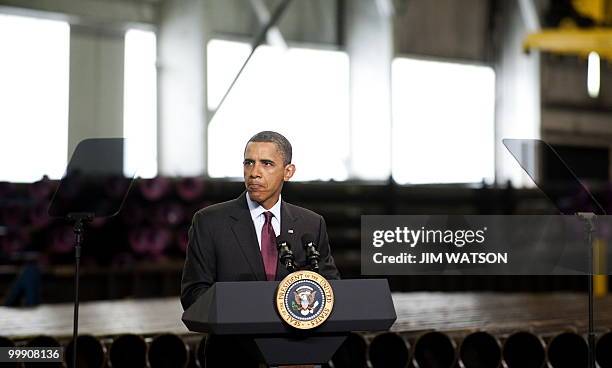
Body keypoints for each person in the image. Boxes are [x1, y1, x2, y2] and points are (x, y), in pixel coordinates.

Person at [181, 131, 340, 367]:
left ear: (288, 172)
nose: (254, 172)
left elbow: (330, 289)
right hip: (233, 356)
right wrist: (251, 308)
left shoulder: (311, 224)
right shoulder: (209, 222)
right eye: (249, 162)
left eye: (266, 164)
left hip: (298, 355)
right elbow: (194, 294)